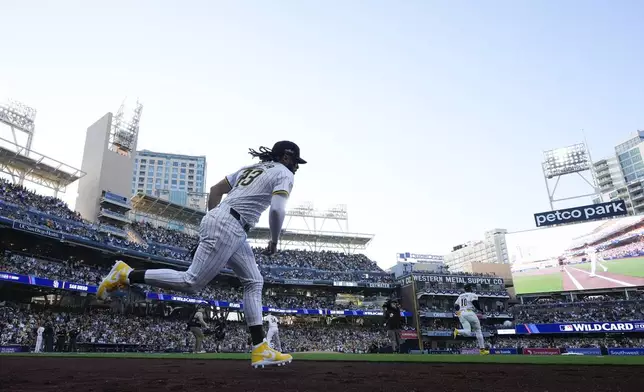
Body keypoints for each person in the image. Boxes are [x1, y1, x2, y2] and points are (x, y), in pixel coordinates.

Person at [97, 141, 306, 368]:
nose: (296, 166)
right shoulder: (284, 173)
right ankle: (126, 274)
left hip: (229, 224)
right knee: (192, 281)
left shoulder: (249, 169)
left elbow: (216, 190)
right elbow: (277, 209)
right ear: (286, 158)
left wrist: (215, 220)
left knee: (254, 281)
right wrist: (274, 241)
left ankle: (259, 348)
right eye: (295, 161)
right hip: (230, 226)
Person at [453, 284, 488, 355]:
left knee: (467, 332)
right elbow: (475, 302)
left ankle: (457, 331)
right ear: (470, 288)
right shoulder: (472, 294)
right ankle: (482, 350)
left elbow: (455, 305)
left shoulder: (460, 296)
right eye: (471, 287)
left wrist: (459, 311)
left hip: (461, 314)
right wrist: (480, 310)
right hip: (469, 312)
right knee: (478, 330)